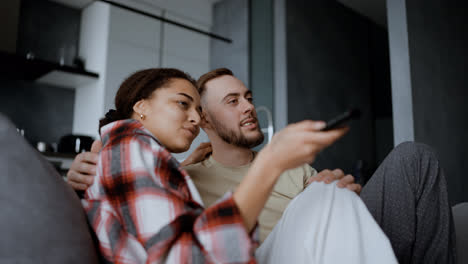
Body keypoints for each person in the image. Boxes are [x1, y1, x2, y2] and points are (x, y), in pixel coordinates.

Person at [70, 68, 455, 263]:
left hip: (323, 241)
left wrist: (339, 191)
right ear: (207, 121)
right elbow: (182, 245)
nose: (249, 106)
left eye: (248, 97)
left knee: (409, 159)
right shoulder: (174, 168)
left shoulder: (163, 166)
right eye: (232, 101)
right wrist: (79, 175)